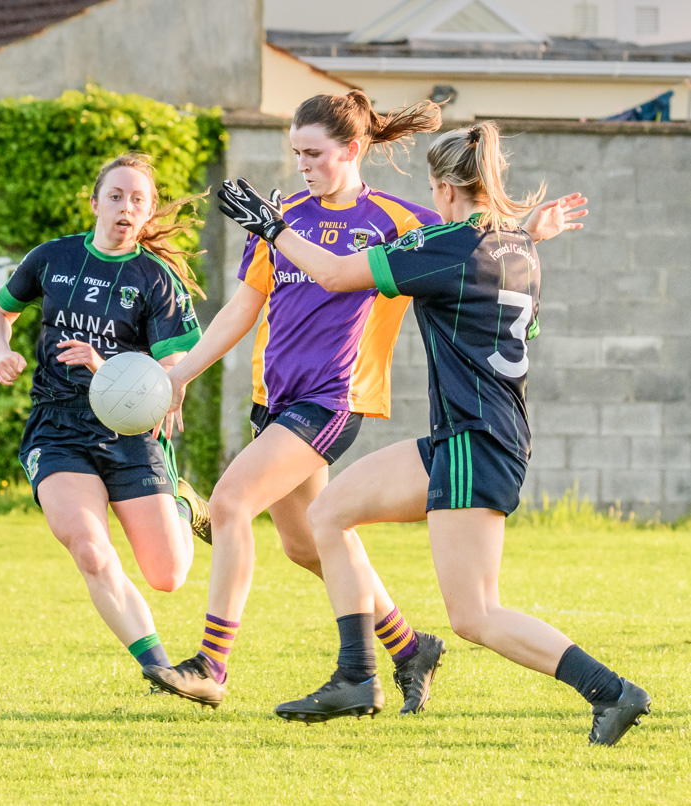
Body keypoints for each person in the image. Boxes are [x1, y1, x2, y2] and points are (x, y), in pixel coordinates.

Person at [214, 121, 650, 746]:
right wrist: (533, 227)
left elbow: (337, 275)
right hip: (468, 437)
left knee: (475, 615)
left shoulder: (449, 245)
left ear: (446, 188)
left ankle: (611, 692)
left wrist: (271, 225)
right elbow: (489, 248)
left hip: (476, 440)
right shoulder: (517, 244)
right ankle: (357, 674)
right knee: (330, 513)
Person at [145, 92, 451, 711]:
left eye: (314, 153)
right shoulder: (281, 214)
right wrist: (182, 375)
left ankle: (211, 665)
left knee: (229, 503)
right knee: (308, 545)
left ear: (353, 149)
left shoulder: (397, 218)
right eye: (296, 153)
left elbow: (474, 239)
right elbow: (244, 307)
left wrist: (527, 227)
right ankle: (408, 645)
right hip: (276, 403)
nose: (303, 164)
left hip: (334, 399)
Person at [0, 152, 211, 681]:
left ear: (149, 214)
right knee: (89, 548)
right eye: (116, 196)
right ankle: (159, 670)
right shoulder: (52, 258)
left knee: (169, 575)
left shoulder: (155, 280)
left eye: (138, 200)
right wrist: (1, 351)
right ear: (94, 203)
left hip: (128, 429)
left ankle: (181, 502)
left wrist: (106, 368)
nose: (125, 207)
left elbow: (174, 366)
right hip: (57, 428)